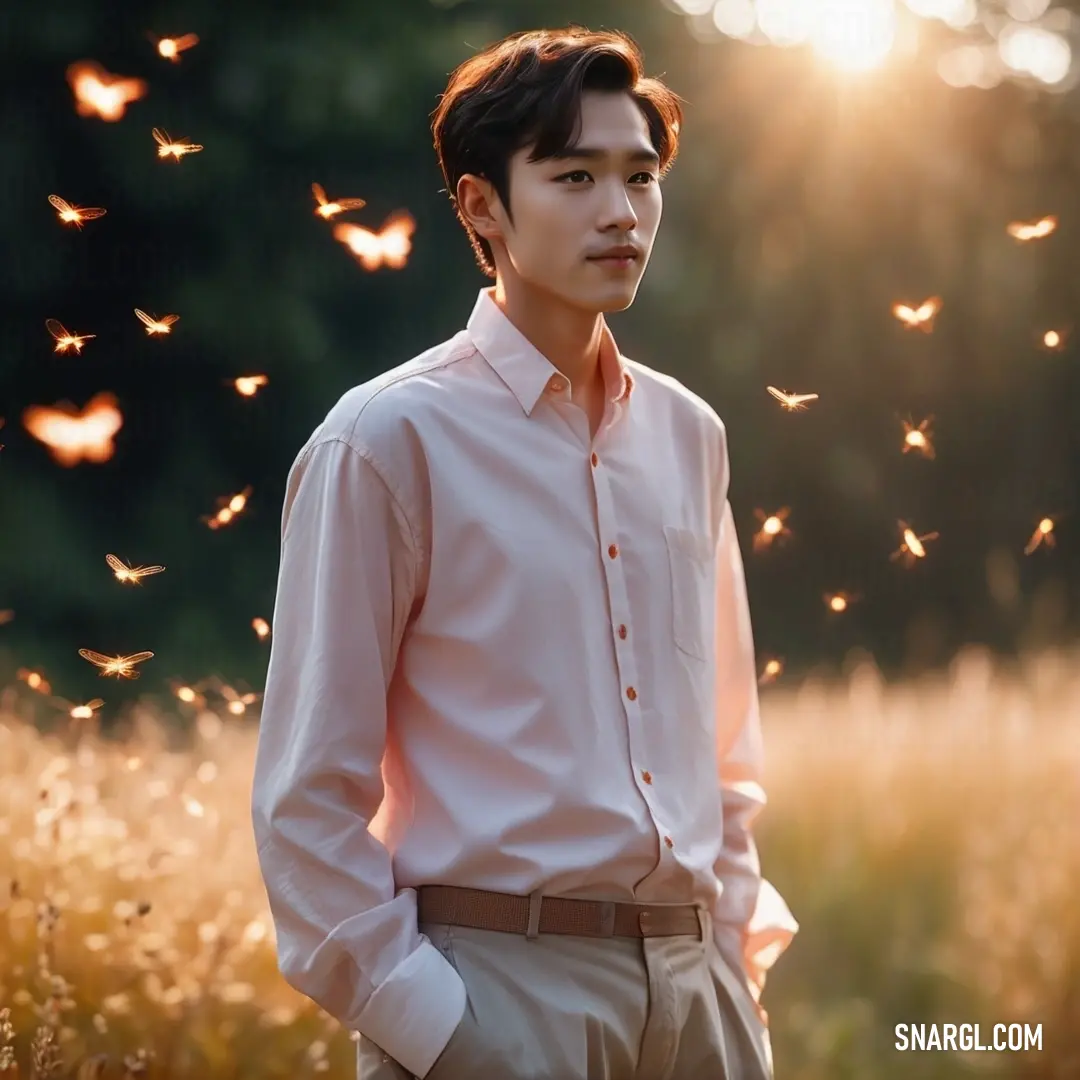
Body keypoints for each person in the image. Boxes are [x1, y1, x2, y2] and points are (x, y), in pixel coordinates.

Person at [251, 23, 798, 1080]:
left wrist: (733, 971)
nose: (621, 211)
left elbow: (727, 754)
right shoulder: (384, 442)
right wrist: (441, 1033)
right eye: (576, 176)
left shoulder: (692, 435)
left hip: (700, 1003)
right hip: (496, 994)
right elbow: (306, 799)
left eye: (641, 177)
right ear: (482, 207)